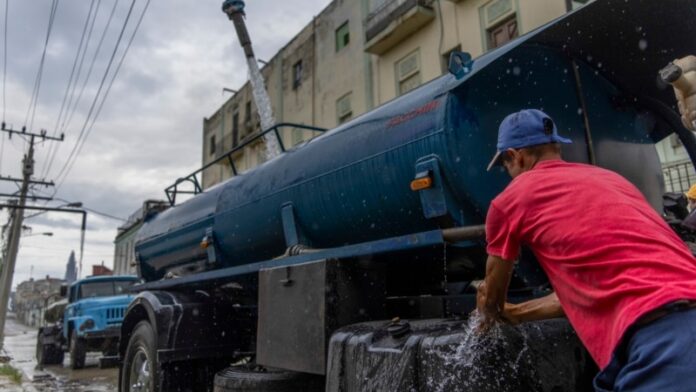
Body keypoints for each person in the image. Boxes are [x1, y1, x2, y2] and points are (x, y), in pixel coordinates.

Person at [476, 109, 696, 391]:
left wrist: (488, 307)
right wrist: (519, 313)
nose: (509, 175)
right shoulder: (613, 180)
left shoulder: (509, 201)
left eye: (506, 166)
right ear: (556, 147)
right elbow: (598, 290)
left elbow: (491, 305)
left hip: (663, 341)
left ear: (515, 156)